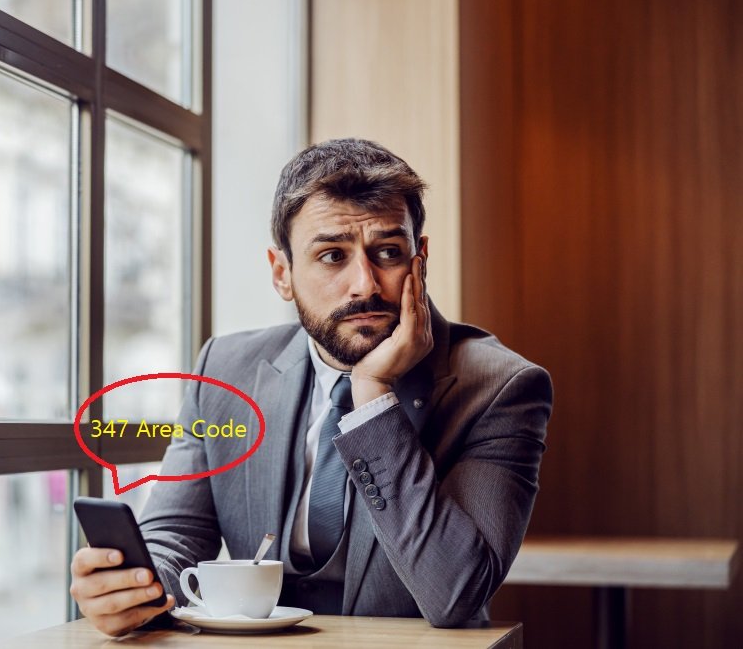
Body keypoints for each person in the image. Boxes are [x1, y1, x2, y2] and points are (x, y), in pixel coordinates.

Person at [70, 138, 552, 636]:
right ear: (283, 273)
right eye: (331, 256)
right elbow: (177, 533)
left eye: (387, 252)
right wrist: (134, 589)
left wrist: (372, 391)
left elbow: (455, 594)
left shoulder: (501, 388)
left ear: (419, 259)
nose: (364, 284)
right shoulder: (224, 369)